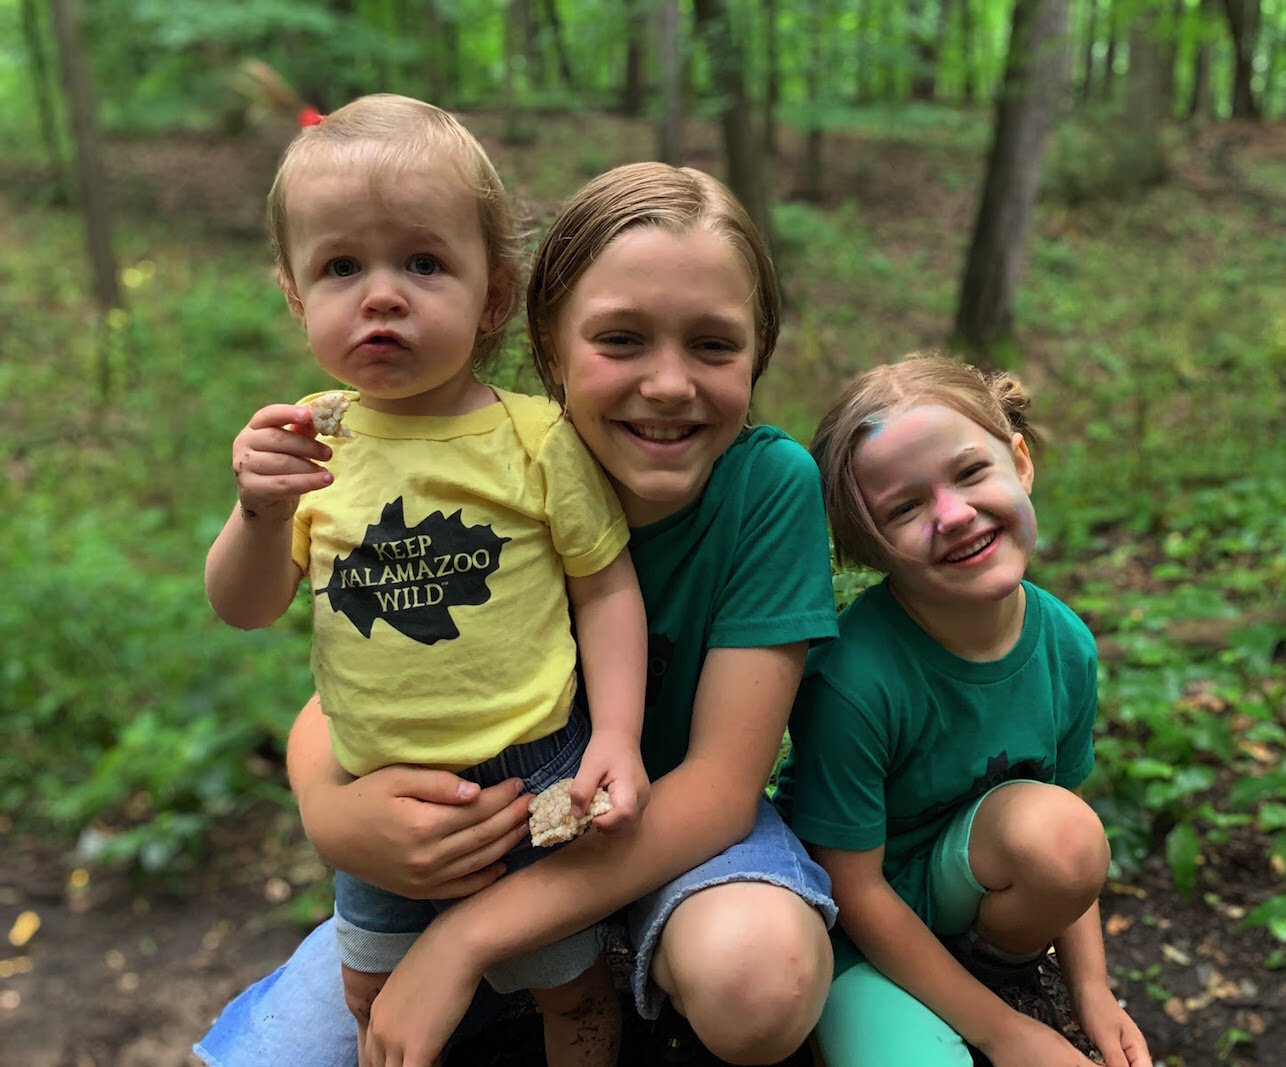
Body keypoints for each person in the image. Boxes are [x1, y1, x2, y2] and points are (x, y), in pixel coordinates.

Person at [195, 161, 840, 1067]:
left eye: (713, 345)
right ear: (546, 338)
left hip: (678, 836)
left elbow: (721, 789)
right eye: (619, 339)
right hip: (492, 827)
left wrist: (461, 945)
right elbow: (365, 675)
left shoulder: (765, 487)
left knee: (757, 977)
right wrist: (328, 813)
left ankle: (535, 969)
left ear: (758, 351)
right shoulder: (475, 454)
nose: (665, 384)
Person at [202, 94, 650, 1066]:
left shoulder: (533, 437)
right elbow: (243, 606)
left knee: (569, 982)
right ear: (294, 293)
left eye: (423, 262)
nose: (382, 294)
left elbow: (605, 588)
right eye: (340, 267)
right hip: (377, 788)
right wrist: (256, 512)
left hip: (537, 770)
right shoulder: (309, 438)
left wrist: (614, 732)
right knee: (377, 996)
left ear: (491, 293)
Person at [778, 354, 1151, 1067]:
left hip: (960, 897)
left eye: (970, 472)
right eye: (904, 508)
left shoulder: (1064, 644)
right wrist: (1007, 1035)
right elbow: (852, 888)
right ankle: (958, 1017)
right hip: (854, 930)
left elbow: (1063, 824)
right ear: (868, 545)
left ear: (1019, 460)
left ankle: (998, 980)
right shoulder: (853, 675)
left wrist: (1093, 991)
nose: (952, 515)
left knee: (1063, 834)